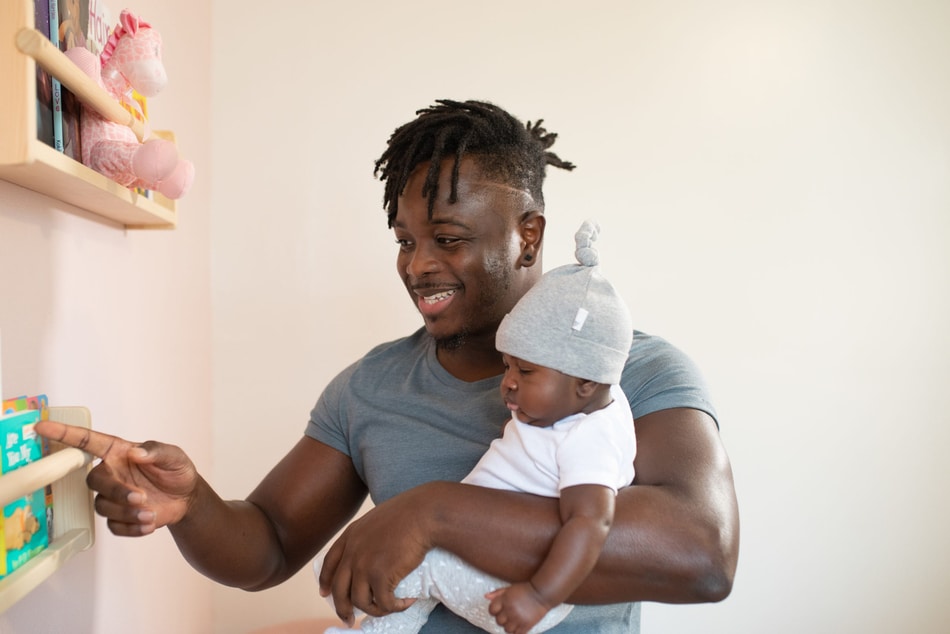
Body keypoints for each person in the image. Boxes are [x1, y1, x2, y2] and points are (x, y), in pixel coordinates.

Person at [36, 99, 739, 634]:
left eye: (449, 238)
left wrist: (435, 512)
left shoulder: (632, 372)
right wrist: (190, 505)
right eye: (405, 239)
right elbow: (270, 544)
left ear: (529, 237)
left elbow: (702, 554)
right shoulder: (371, 386)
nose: (418, 264)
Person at [325, 219, 637, 634]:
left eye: (525, 371)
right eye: (507, 364)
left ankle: (346, 587)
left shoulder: (590, 437)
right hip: (484, 564)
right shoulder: (576, 402)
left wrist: (540, 596)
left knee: (404, 566)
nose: (506, 382)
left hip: (515, 588)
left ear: (586, 383)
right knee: (413, 582)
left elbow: (591, 523)